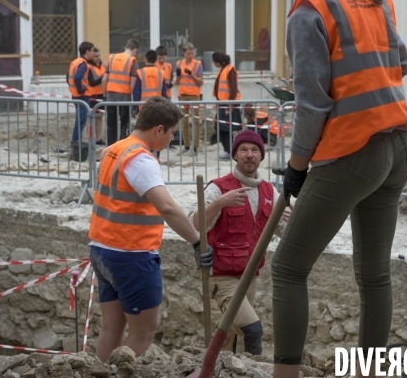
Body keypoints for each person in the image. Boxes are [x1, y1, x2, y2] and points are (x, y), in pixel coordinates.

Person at [271, 0, 407, 376]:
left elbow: (311, 104)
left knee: (288, 269)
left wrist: (296, 166)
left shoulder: (310, 8)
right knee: (374, 275)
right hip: (398, 149)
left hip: (353, 155)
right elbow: (402, 62)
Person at [89, 96, 213, 362]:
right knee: (144, 332)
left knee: (112, 327)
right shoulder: (141, 161)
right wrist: (197, 241)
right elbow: (167, 207)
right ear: (158, 129)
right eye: (171, 133)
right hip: (131, 255)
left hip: (101, 249)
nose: (171, 140)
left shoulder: (114, 149)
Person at [188, 130, 290, 355]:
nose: (249, 155)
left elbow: (283, 231)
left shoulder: (269, 191)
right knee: (251, 330)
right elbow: (196, 224)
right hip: (222, 276)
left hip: (250, 276)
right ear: (235, 155)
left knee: (232, 335)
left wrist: (292, 220)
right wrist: (220, 203)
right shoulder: (218, 187)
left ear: (261, 156)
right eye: (243, 150)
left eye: (254, 150)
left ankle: (217, 368)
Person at [102, 39, 139, 145]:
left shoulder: (112, 58)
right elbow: (132, 84)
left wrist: (105, 96)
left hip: (110, 97)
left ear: (125, 47)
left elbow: (104, 80)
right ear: (135, 50)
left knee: (111, 125)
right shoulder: (132, 61)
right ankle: (123, 148)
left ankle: (111, 148)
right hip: (124, 98)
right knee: (125, 125)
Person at [212, 51, 242, 160]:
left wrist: (230, 106)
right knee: (220, 128)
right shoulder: (224, 70)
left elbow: (233, 90)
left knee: (226, 129)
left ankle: (230, 151)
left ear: (217, 62)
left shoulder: (230, 70)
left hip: (228, 104)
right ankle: (227, 151)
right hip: (223, 103)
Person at [174, 42, 203, 154]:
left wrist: (191, 74)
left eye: (192, 53)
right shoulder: (179, 63)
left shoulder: (198, 64)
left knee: (196, 121)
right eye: (188, 54)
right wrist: (178, 76)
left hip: (194, 95)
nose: (191, 56)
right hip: (183, 95)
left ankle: (195, 147)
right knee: (184, 121)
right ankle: (186, 146)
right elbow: (177, 82)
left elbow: (201, 82)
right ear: (183, 53)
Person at [67, 41, 95, 144]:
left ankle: (75, 143)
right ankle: (76, 144)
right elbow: (77, 77)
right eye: (92, 50)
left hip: (75, 95)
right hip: (82, 96)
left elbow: (68, 76)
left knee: (79, 122)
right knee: (81, 122)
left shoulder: (75, 62)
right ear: (87, 51)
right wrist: (80, 90)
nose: (93, 53)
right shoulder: (83, 64)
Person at [86, 48, 106, 145]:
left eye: (99, 56)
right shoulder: (89, 67)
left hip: (102, 94)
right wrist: (103, 77)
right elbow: (92, 82)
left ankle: (98, 139)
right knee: (91, 118)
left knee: (99, 117)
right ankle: (91, 139)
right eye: (95, 56)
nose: (98, 58)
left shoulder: (104, 65)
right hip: (92, 95)